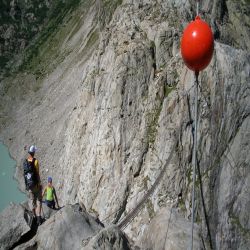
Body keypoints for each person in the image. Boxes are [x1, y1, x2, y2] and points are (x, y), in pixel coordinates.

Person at [23, 145, 43, 225]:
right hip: (35, 185)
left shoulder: (26, 161)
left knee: (32, 201)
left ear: (29, 152)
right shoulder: (35, 161)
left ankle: (34, 217)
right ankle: (39, 218)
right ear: (34, 152)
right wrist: (39, 183)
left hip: (29, 186)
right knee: (39, 200)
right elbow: (37, 174)